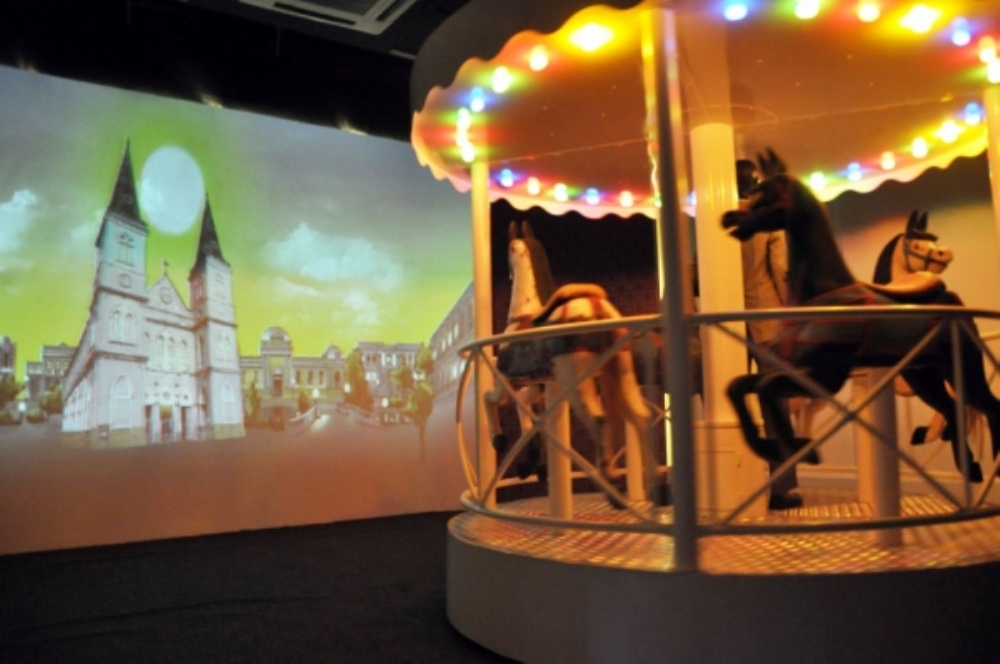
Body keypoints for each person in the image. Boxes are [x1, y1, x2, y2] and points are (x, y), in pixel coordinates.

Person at [736, 158, 802, 510]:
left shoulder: (719, 219)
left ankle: (735, 483)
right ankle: (780, 487)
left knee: (730, 404)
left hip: (729, 322)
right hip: (766, 321)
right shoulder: (767, 221)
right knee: (775, 405)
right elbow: (781, 269)